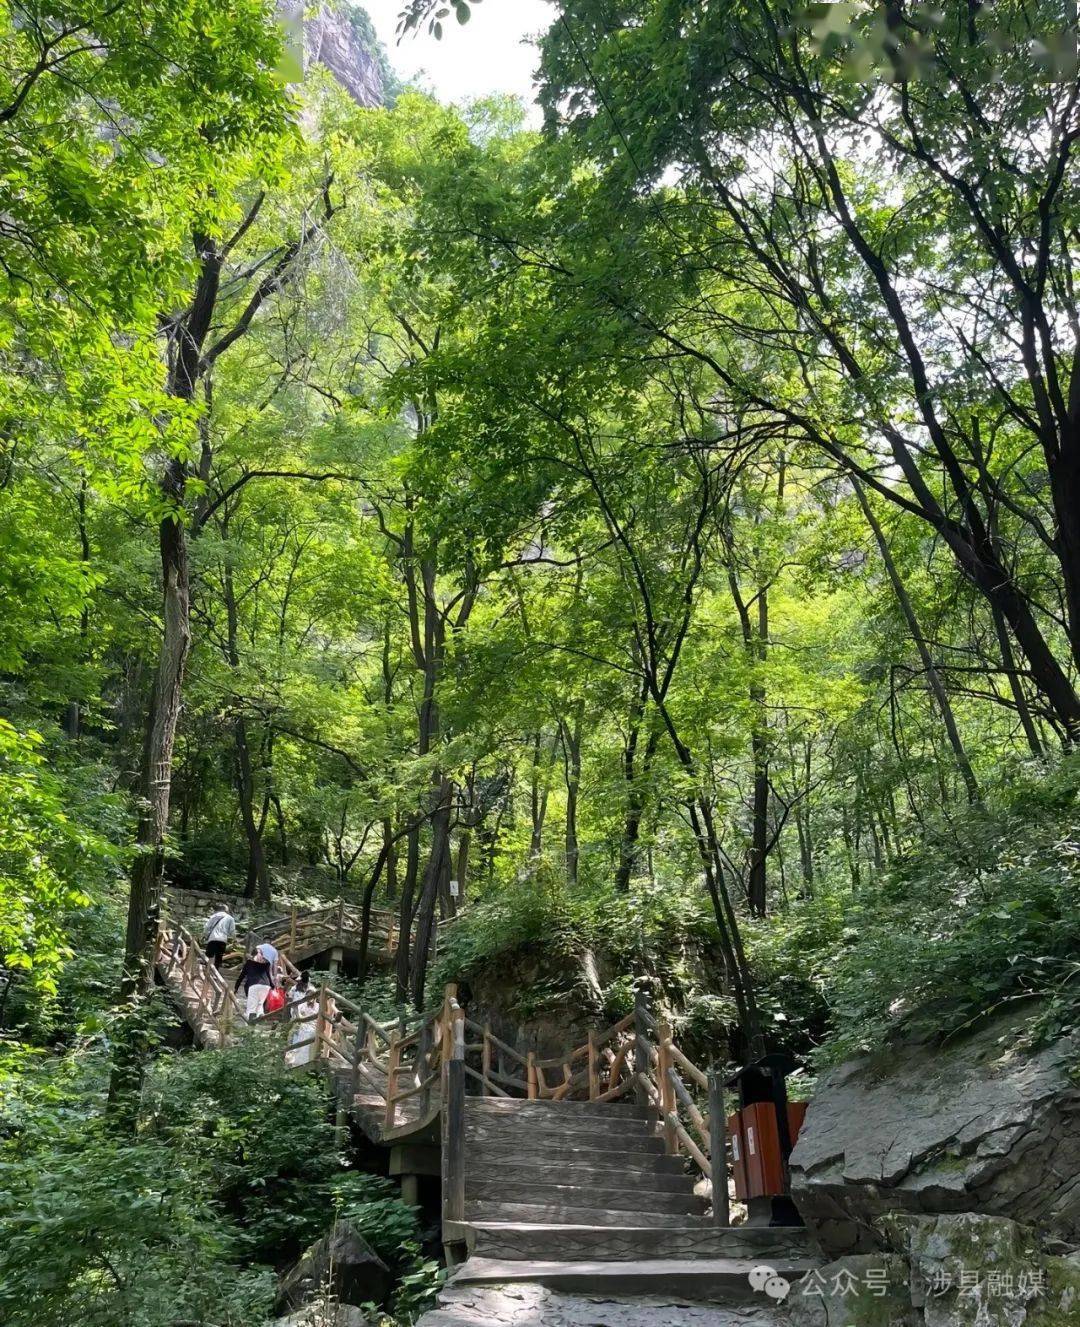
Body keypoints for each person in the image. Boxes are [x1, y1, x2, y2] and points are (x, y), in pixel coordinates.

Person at [234, 947, 276, 1021]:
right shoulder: (267, 963)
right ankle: (260, 1016)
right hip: (266, 986)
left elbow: (241, 976)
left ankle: (249, 1026)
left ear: (252, 954)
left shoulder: (249, 963)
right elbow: (268, 975)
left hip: (254, 984)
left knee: (251, 1007)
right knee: (260, 1004)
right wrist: (273, 986)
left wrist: (236, 987)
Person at [287, 971, 318, 1067]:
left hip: (296, 1010)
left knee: (295, 1030)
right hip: (303, 1011)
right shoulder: (311, 988)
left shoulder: (295, 987)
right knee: (299, 1029)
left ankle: (293, 1051)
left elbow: (289, 996)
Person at [202, 902, 236, 969]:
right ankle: (215, 973)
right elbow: (232, 931)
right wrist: (234, 939)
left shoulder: (213, 916)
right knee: (218, 957)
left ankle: (207, 971)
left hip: (212, 938)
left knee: (209, 956)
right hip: (222, 940)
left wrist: (205, 936)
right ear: (225, 910)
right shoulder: (230, 918)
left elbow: (206, 927)